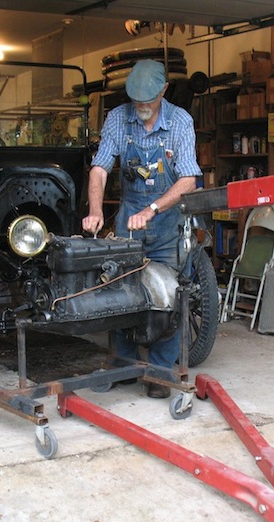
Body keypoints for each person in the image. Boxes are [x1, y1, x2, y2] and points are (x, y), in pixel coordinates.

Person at [82, 59, 202, 399]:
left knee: (168, 296)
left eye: (148, 100)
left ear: (164, 90)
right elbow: (100, 169)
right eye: (136, 101)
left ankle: (160, 372)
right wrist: (95, 211)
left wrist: (153, 209)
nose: (141, 107)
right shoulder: (118, 119)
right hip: (129, 220)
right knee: (120, 290)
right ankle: (124, 364)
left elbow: (189, 179)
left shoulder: (180, 121)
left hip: (166, 223)